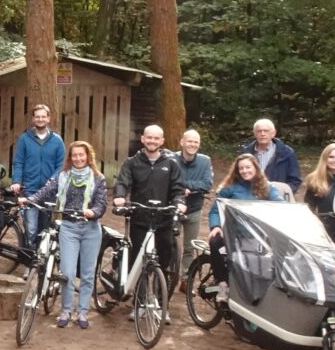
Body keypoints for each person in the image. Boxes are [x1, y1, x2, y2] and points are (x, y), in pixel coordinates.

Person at [19, 141, 107, 329]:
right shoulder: (62, 176)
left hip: (91, 229)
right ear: (70, 157)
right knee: (67, 273)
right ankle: (66, 310)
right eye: (74, 155)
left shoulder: (98, 178)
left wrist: (94, 212)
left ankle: (82, 312)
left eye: (81, 155)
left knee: (87, 274)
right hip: (68, 228)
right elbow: (46, 190)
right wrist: (30, 200)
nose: (78, 158)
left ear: (88, 156)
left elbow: (101, 203)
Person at [113, 125, 186, 321]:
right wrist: (120, 197)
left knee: (163, 265)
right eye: (149, 138)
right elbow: (123, 182)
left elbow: (178, 189)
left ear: (162, 141)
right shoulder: (132, 162)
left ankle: (162, 305)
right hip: (140, 220)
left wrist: (179, 203)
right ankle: (139, 303)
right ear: (143, 139)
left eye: (156, 139)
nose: (152, 141)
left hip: (163, 221)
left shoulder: (171, 164)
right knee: (139, 263)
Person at [208, 154, 285, 303]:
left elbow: (280, 205)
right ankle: (222, 284)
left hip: (258, 235)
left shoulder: (267, 188)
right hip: (233, 233)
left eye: (248, 167)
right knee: (215, 243)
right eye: (241, 168)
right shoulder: (230, 189)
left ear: (256, 168)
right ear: (237, 171)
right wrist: (216, 226)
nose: (244, 171)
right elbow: (215, 209)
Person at [9, 104, 66, 250]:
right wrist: (16, 181)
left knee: (46, 228)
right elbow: (19, 162)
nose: (40, 119)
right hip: (30, 189)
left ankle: (42, 260)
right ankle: (30, 259)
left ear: (48, 118)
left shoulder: (57, 141)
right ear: (33, 119)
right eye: (37, 116)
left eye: (43, 116)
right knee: (31, 227)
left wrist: (53, 180)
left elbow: (61, 165)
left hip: (50, 191)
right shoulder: (25, 139)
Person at [173, 129, 213, 272]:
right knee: (170, 244)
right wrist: (184, 187)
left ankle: (185, 278)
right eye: (190, 141)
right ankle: (168, 275)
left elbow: (207, 184)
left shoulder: (205, 161)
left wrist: (185, 186)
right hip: (173, 208)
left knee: (190, 247)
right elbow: (167, 180)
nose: (193, 144)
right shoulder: (171, 159)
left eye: (196, 142)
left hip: (194, 209)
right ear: (182, 142)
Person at [240, 118, 301, 191]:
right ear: (254, 133)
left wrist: (281, 193)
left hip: (277, 198)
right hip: (250, 197)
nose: (262, 134)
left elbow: (295, 181)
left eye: (266, 131)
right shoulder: (246, 153)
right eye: (259, 131)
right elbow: (238, 177)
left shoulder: (287, 153)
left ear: (273, 133)